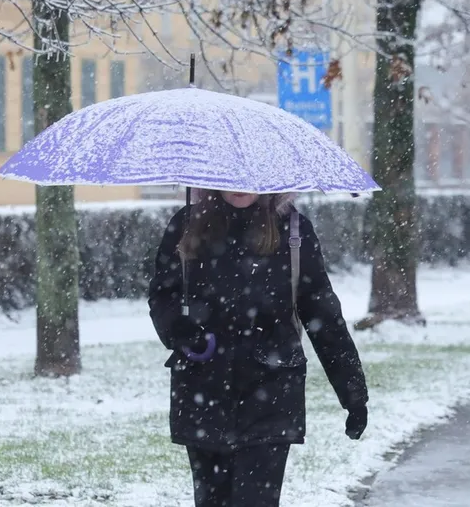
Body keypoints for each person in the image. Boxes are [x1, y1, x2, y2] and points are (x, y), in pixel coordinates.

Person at [149, 189, 368, 507]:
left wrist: (354, 394)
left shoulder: (293, 231)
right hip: (202, 389)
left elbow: (324, 317)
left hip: (272, 391)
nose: (241, 187)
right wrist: (180, 332)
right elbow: (162, 294)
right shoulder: (187, 224)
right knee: (212, 501)